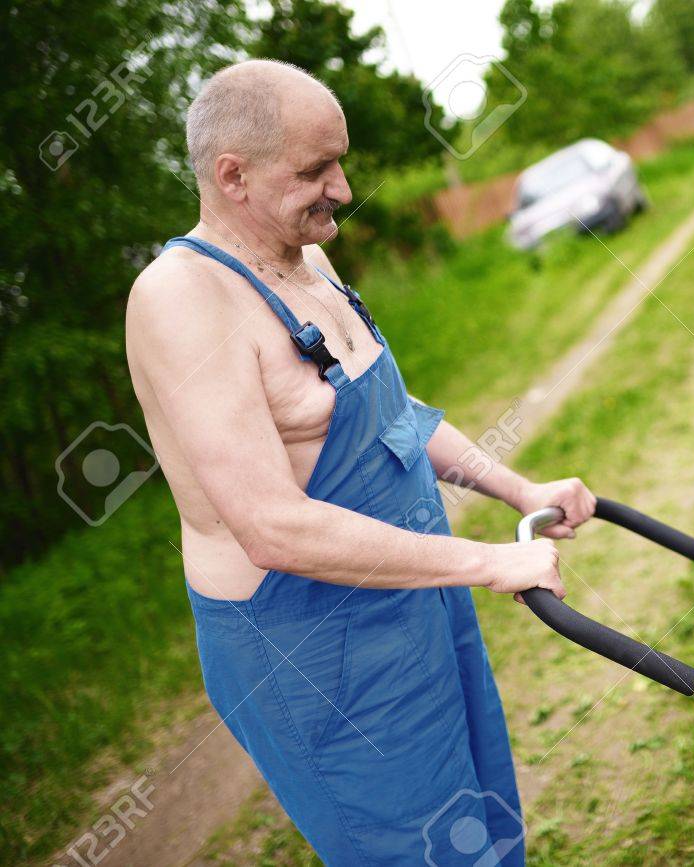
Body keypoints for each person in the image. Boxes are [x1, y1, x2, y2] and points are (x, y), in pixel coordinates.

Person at [125, 59, 592, 865]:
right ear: (232, 175)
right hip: (313, 651)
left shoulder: (309, 259)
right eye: (315, 170)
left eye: (340, 161)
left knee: (486, 821)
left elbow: (387, 417)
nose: (342, 189)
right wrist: (485, 559)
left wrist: (522, 489)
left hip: (413, 598)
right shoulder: (181, 299)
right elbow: (272, 527)